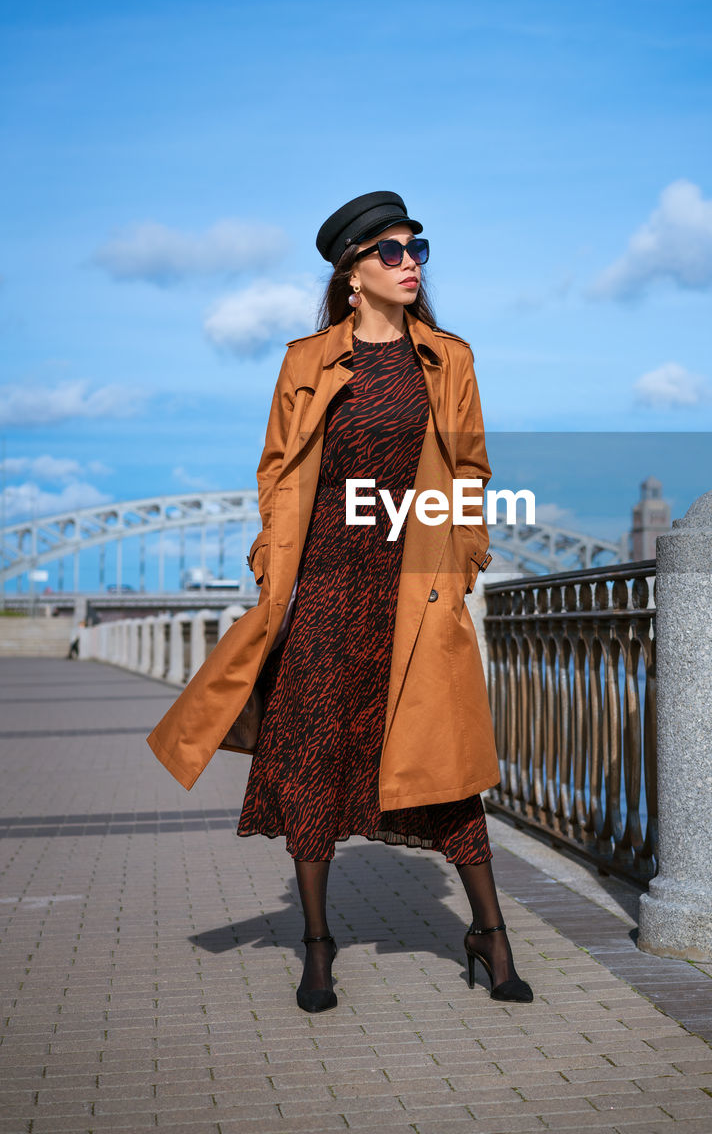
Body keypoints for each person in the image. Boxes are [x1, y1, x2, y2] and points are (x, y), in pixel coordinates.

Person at [147, 190, 532, 1013]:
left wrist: (463, 563)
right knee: (317, 758)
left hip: (414, 589)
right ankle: (317, 946)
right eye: (389, 251)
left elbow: (470, 474)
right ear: (351, 274)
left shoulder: (450, 360)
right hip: (323, 587)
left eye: (416, 248)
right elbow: (277, 472)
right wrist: (267, 562)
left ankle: (489, 934)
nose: (409, 264)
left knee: (445, 763)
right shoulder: (308, 361)